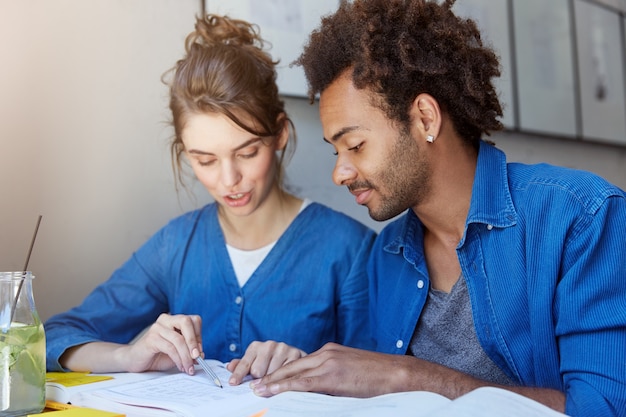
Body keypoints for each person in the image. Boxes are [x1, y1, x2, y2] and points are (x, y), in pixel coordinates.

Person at [248, 1, 626, 416]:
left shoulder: (582, 218)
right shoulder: (387, 254)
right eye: (336, 150)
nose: (340, 172)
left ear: (425, 118)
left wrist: (410, 377)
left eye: (355, 145)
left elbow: (602, 408)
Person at [44, 14, 376, 384]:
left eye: (247, 153)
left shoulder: (350, 250)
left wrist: (310, 366)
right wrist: (129, 354)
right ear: (186, 155)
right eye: (205, 160)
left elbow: (383, 377)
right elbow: (52, 338)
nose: (229, 179)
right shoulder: (176, 245)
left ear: (280, 133)